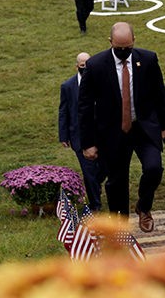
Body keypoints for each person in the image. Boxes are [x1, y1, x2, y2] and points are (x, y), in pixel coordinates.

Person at [79, 22, 165, 233]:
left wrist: (164, 125)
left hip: (144, 127)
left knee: (154, 168)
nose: (123, 52)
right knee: (117, 181)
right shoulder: (96, 65)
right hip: (113, 131)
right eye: (118, 48)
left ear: (134, 41)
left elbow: (159, 94)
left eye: (127, 48)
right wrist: (88, 143)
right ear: (110, 43)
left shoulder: (147, 59)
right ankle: (120, 225)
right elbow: (84, 106)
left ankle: (144, 207)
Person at [58, 52, 105, 211]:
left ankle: (95, 186)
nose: (85, 69)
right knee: (89, 172)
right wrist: (64, 135)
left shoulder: (101, 81)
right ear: (77, 66)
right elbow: (64, 111)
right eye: (82, 66)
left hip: (101, 133)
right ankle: (95, 205)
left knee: (103, 168)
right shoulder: (68, 86)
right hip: (79, 136)